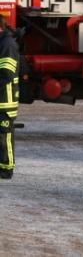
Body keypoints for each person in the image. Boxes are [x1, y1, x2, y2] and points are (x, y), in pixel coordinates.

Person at [0, 15, 20, 179]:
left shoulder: (7, 45)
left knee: (4, 135)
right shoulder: (3, 43)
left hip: (5, 100)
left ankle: (7, 169)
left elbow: (6, 74)